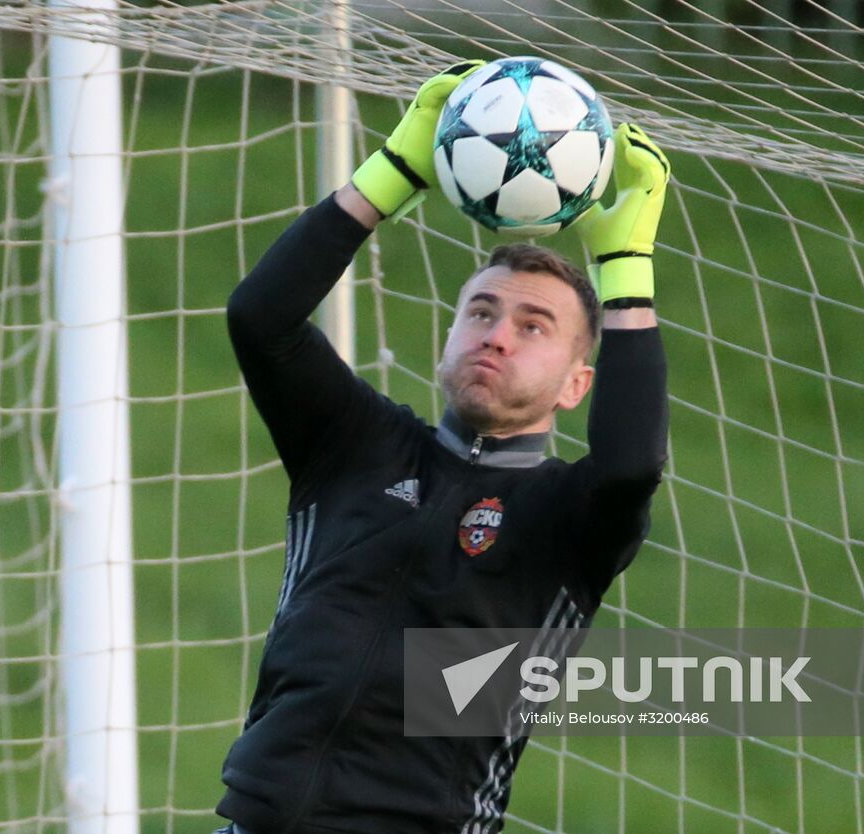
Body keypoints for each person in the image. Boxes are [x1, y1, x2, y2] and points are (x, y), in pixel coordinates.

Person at [215, 60, 670, 834]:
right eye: (481, 313)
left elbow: (632, 464)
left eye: (533, 327)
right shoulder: (358, 445)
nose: (498, 336)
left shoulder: (568, 515)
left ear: (576, 385)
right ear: (450, 335)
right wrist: (392, 172)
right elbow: (261, 318)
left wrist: (625, 268)